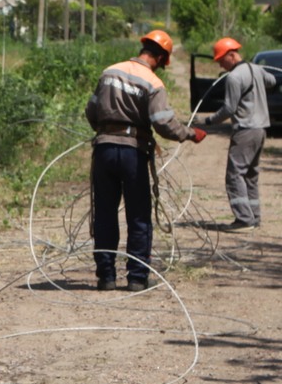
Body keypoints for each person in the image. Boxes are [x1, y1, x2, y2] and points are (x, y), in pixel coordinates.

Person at [85, 28, 203, 291]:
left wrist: (105, 130)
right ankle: (137, 277)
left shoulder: (109, 72)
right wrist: (190, 134)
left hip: (104, 149)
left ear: (143, 49)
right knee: (138, 215)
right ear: (161, 59)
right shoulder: (153, 83)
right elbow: (163, 124)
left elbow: (91, 110)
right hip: (132, 153)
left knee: (104, 214)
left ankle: (106, 277)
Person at [200, 36, 275, 229]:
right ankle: (254, 218)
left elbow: (229, 109)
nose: (220, 66)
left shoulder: (234, 77)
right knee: (250, 175)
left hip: (245, 130)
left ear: (231, 55)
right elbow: (272, 81)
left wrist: (209, 121)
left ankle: (244, 219)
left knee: (234, 175)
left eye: (221, 61)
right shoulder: (256, 69)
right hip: (260, 130)